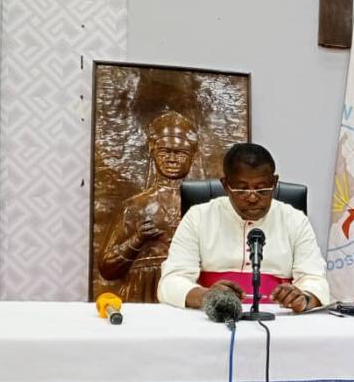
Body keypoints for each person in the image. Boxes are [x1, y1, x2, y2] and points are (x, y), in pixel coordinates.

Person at [158, 143, 329, 312]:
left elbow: (314, 279)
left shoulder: (295, 220)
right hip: (212, 319)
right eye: (242, 190)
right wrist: (205, 296)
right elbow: (172, 280)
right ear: (225, 185)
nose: (253, 198)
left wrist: (304, 298)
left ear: (275, 182)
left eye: (262, 189)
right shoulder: (199, 217)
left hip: (279, 319)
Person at [99, 110, 198, 302]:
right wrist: (137, 239)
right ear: (153, 152)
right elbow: (106, 267)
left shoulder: (204, 206)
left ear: (192, 155)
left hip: (189, 288)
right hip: (144, 289)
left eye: (180, 153)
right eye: (165, 152)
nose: (171, 159)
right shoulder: (136, 206)